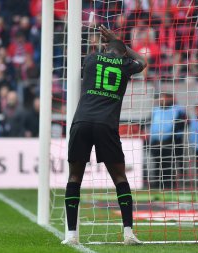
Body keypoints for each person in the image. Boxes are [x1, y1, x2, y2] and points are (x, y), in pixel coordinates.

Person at [62, 25, 146, 245]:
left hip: (82, 121)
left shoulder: (91, 59)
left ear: (106, 49)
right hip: (106, 125)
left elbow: (99, 57)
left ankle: (71, 235)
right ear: (123, 52)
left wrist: (109, 43)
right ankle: (128, 233)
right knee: (120, 178)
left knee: (74, 177)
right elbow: (144, 63)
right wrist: (122, 44)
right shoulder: (127, 64)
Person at [149, 93, 186, 189]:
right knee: (157, 163)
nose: (161, 100)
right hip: (155, 142)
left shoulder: (177, 110)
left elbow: (182, 124)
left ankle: (169, 183)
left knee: (168, 163)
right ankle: (158, 183)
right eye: (161, 98)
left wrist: (173, 136)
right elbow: (150, 122)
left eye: (164, 98)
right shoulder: (155, 110)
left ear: (170, 99)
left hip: (170, 142)